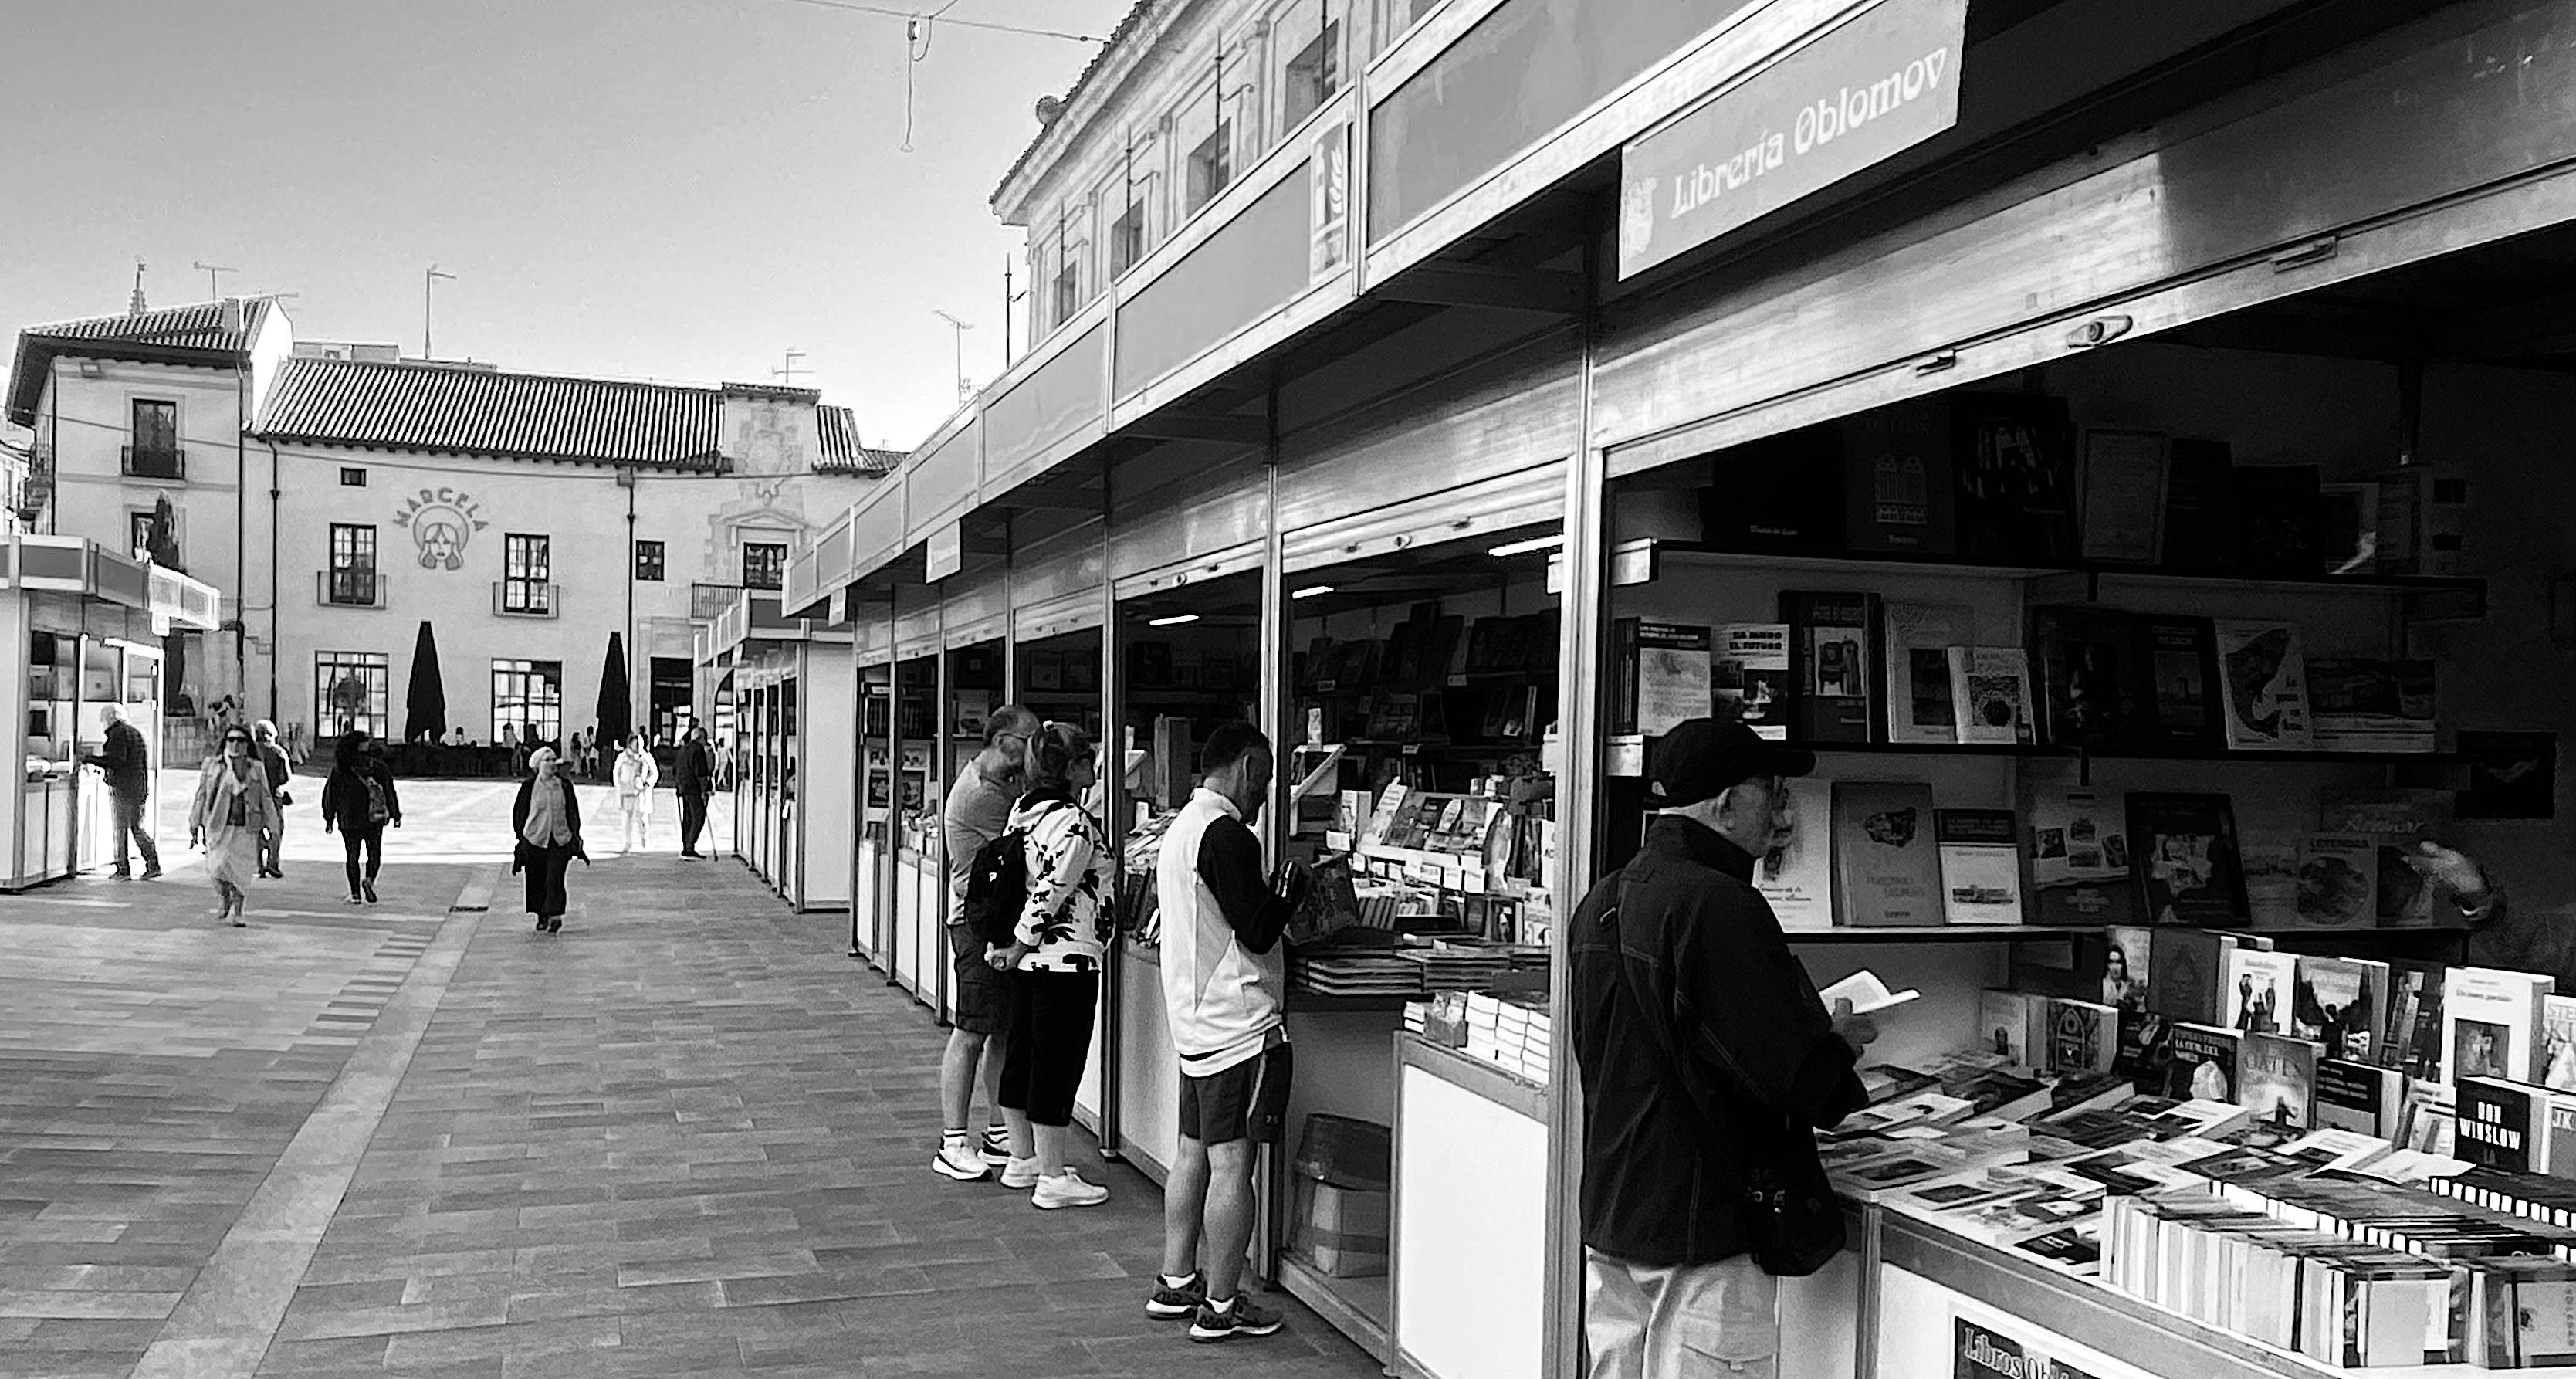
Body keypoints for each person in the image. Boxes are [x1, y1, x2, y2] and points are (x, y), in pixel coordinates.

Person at [1569, 718, 1879, 1379]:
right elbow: (1791, 1079)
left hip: (1616, 1210)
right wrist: (1839, 1045)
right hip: (1702, 1228)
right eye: (1771, 789)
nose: (1781, 809)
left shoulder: (1604, 897)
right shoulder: (1719, 904)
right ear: (1727, 803)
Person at [1149, 722, 1310, 1343]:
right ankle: (1220, 1304)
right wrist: (1291, 892)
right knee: (1232, 1163)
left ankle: (1177, 1279)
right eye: (1265, 781)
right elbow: (1258, 928)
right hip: (1237, 1026)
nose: (1265, 796)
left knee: (1191, 1152)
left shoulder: (1180, 831)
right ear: (1244, 767)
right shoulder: (1227, 835)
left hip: (1194, 1024)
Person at [987, 722, 1114, 1209]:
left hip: (1026, 965)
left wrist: (1011, 947)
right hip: (1066, 960)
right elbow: (1052, 891)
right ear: (1076, 768)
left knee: (1022, 1057)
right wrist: (1021, 943)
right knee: (1057, 1065)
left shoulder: (1022, 812)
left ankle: (1023, 1159)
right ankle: (1055, 1175)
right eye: (1087, 760)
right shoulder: (1075, 824)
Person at [932, 704, 1040, 1184]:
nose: (1035, 747)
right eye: (1029, 738)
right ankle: (953, 1140)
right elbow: (1025, 850)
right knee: (972, 1030)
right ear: (1002, 741)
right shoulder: (981, 797)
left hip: (994, 923)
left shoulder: (1002, 785)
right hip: (977, 927)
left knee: (1001, 1030)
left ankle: (999, 1127)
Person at [188, 724, 280, 927]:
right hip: (217, 827)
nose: (235, 744)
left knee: (241, 872)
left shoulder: (255, 768)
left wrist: (273, 826)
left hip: (245, 827)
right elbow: (201, 794)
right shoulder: (213, 765)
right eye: (231, 740)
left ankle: (239, 912)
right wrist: (195, 822)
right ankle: (224, 897)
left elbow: (265, 796)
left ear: (248, 744)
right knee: (216, 870)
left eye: (240, 740)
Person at [511, 746, 588, 932]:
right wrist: (521, 836)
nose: (553, 764)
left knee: (555, 877)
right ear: (538, 764)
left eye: (554, 760)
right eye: (548, 760)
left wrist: (574, 835)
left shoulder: (564, 785)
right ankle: (541, 915)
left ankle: (555, 914)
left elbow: (572, 811)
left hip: (559, 839)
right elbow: (520, 813)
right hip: (535, 839)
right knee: (537, 878)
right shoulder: (529, 787)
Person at [320, 730, 402, 904]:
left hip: (349, 818)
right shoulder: (377, 766)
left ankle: (355, 894)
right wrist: (395, 814)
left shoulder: (341, 769)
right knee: (374, 853)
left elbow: (331, 794)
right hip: (374, 817)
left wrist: (329, 817)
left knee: (352, 856)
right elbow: (388, 790)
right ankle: (369, 879)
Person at [82, 703, 160, 880]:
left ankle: (123, 869)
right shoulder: (134, 732)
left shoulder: (118, 734)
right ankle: (152, 863)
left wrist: (90, 759)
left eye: (104, 720)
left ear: (110, 718)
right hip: (138, 786)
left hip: (124, 788)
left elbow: (116, 760)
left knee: (122, 829)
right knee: (136, 826)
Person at [250, 719, 293, 879]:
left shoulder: (251, 752)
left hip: (254, 796)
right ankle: (273, 862)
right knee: (276, 830)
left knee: (256, 829)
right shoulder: (278, 752)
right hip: (274, 796)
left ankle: (259, 864)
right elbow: (286, 777)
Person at [674, 721, 715, 858]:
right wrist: (705, 790)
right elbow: (701, 773)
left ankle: (686, 846)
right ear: (701, 738)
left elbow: (676, 770)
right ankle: (690, 847)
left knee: (688, 817)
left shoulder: (683, 749)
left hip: (683, 787)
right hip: (693, 788)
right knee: (698, 816)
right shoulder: (698, 750)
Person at [614, 734, 660, 852]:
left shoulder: (647, 757)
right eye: (636, 743)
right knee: (626, 819)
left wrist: (647, 783)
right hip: (627, 791)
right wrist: (619, 785)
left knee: (642, 818)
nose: (638, 745)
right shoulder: (623, 756)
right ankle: (627, 843)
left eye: (640, 743)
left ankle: (645, 840)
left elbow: (655, 773)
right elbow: (616, 771)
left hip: (641, 792)